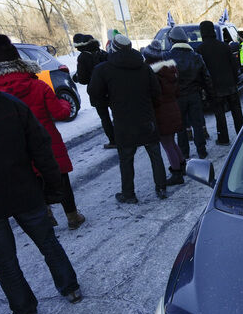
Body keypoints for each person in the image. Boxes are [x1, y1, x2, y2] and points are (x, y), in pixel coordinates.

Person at [0, 49, 82, 314]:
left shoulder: (7, 102)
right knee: (48, 242)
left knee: (4, 260)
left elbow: (39, 147)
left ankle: (25, 311)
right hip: (23, 190)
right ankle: (70, 287)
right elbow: (41, 148)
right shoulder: (7, 103)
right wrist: (52, 187)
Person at [0, 35, 86, 230]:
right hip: (48, 142)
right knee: (61, 179)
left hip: (16, 147)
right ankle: (72, 216)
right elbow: (61, 112)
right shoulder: (38, 85)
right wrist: (62, 101)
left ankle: (46, 216)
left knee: (34, 182)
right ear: (19, 60)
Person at [88, 34, 168, 203]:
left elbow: (94, 93)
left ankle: (129, 194)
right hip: (146, 118)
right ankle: (161, 187)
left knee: (126, 159)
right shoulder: (144, 67)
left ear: (113, 48)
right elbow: (156, 92)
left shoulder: (104, 69)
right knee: (155, 155)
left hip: (123, 121)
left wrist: (110, 102)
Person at [167, 26, 213, 159]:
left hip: (178, 97)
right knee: (197, 123)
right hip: (194, 95)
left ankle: (184, 152)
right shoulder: (196, 57)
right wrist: (210, 94)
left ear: (172, 41)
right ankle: (201, 150)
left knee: (180, 126)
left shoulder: (168, 57)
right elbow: (206, 77)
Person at [143, 42, 185, 186]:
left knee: (167, 144)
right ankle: (181, 165)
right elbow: (177, 92)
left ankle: (177, 172)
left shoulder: (154, 74)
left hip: (162, 113)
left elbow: (156, 97)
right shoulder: (170, 70)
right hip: (173, 108)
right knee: (172, 141)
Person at [196, 20, 243, 145]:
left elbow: (201, 71)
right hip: (230, 86)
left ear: (202, 32)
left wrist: (204, 87)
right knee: (236, 111)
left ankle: (223, 138)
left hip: (214, 88)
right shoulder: (224, 46)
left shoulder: (200, 49)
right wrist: (235, 80)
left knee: (220, 114)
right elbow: (234, 65)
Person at [73, 33, 115, 149]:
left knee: (105, 117)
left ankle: (113, 141)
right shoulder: (103, 53)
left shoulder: (83, 57)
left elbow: (83, 79)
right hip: (110, 89)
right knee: (116, 114)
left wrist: (76, 77)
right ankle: (124, 137)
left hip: (96, 92)